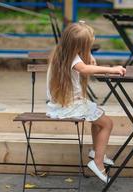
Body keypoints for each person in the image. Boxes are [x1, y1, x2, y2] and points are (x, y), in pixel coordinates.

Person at [46, 21, 126, 182]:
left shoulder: (61, 52)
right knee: (107, 124)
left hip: (63, 104)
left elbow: (85, 60)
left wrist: (89, 54)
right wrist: (112, 69)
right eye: (88, 45)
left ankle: (97, 152)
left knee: (99, 118)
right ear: (79, 46)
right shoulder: (74, 60)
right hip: (70, 106)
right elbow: (85, 69)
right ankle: (97, 162)